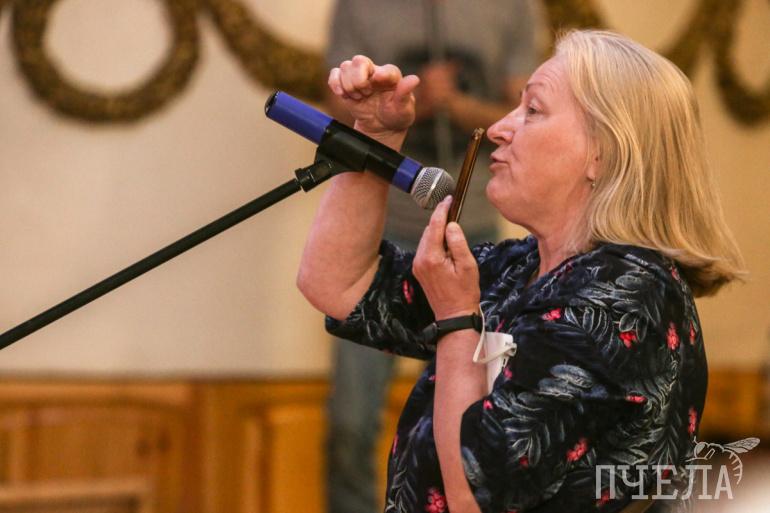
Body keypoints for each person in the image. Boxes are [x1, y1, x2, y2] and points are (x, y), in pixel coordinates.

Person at [299, 29, 744, 513]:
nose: (497, 128)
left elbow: (473, 494)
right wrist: (374, 139)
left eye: (532, 110)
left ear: (601, 152)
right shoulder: (522, 268)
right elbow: (339, 283)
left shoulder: (625, 298)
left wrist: (456, 318)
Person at [322, 2, 539, 512]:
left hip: (473, 227)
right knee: (351, 421)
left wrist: (456, 104)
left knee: (471, 420)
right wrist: (396, 110)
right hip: (388, 223)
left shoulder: (511, 8)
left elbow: (521, 117)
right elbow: (336, 115)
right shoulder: (359, 7)